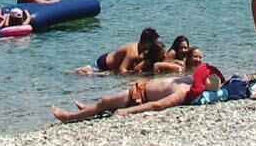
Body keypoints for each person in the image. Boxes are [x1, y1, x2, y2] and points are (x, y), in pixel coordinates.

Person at [51, 49, 227, 121]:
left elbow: (158, 105)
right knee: (105, 103)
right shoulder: (187, 81)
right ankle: (92, 109)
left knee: (104, 101)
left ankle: (70, 117)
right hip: (139, 89)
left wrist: (125, 112)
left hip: (138, 96)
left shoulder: (184, 91)